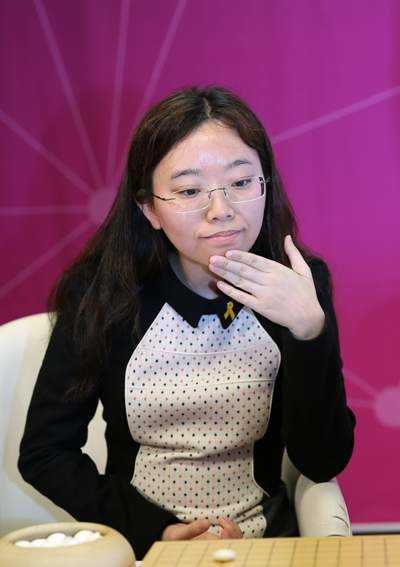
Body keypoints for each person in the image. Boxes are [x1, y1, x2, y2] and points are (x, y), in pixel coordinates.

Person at [18, 86, 355, 559]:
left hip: (266, 546)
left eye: (242, 182)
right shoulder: (104, 293)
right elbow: (45, 453)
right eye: (190, 191)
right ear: (149, 209)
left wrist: (309, 331)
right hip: (145, 546)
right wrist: (157, 532)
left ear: (266, 184)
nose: (222, 211)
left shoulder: (298, 283)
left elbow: (322, 460)